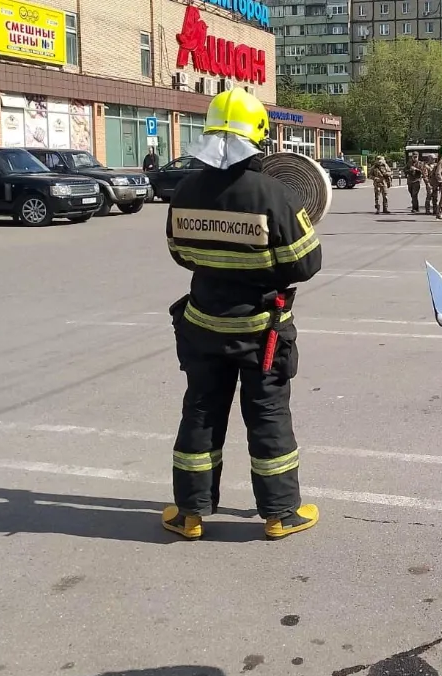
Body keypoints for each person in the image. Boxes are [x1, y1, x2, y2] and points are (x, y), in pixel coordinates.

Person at [161, 87, 322, 541]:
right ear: (258, 136)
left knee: (201, 413)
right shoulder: (274, 194)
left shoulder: (186, 190)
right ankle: (279, 514)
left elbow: (180, 252)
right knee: (267, 415)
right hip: (261, 333)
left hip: (203, 326)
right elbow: (306, 263)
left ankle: (189, 514)